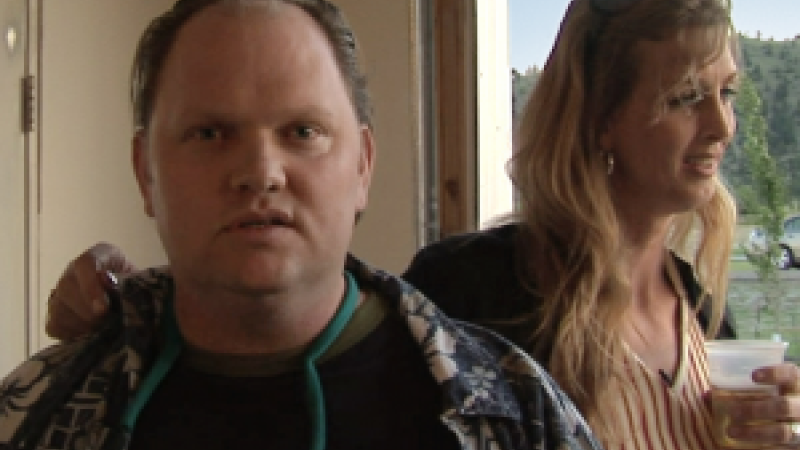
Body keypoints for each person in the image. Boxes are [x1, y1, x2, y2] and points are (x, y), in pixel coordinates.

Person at [38, 0, 800, 448]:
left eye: (302, 131)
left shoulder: (698, 302)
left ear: (363, 162)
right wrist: (129, 303)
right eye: (684, 97)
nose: (723, 127)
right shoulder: (484, 289)